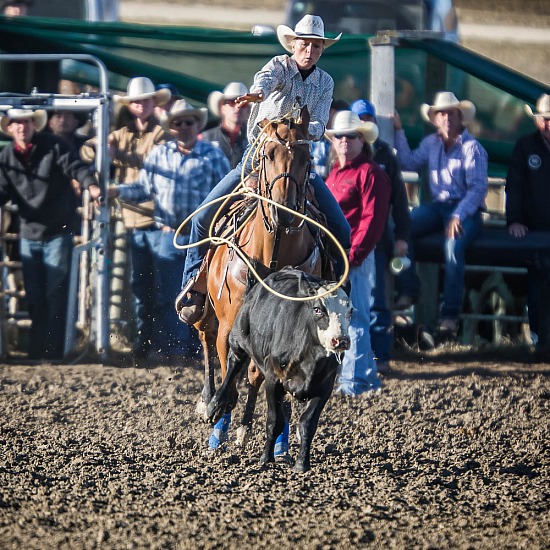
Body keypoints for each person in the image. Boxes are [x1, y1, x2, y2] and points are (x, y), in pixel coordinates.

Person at [176, 14, 352, 324]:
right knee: (203, 216)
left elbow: (320, 124)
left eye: (316, 45)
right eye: (304, 44)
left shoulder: (325, 82)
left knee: (341, 230)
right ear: (293, 45)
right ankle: (194, 286)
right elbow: (266, 80)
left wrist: (297, 131)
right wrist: (258, 93)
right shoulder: (278, 66)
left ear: (321, 49)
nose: (309, 50)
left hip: (300, 165)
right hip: (258, 160)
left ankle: (335, 295)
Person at [108, 99, 230, 360]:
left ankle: (195, 348)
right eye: (178, 123)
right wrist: (117, 191)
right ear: (171, 127)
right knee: (168, 295)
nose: (184, 127)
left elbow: (226, 195)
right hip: (168, 233)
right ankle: (171, 348)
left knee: (201, 294)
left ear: (197, 125)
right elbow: (143, 189)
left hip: (203, 237)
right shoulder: (159, 154)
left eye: (189, 122)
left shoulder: (213, 155)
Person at [81, 76, 172, 356]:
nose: (140, 105)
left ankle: (162, 343)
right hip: (131, 220)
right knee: (139, 287)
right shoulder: (120, 134)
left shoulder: (162, 134)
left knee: (161, 288)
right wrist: (101, 150)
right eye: (136, 101)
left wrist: (115, 154)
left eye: (144, 101)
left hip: (157, 220)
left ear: (152, 103)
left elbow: (156, 163)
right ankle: (144, 342)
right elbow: (87, 150)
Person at [0, 108, 97, 360]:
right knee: (34, 295)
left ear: (34, 125)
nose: (22, 127)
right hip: (29, 232)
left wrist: (92, 185)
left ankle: (54, 350)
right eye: (17, 123)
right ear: (10, 128)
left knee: (55, 292)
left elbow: (76, 167)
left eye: (26, 122)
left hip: (56, 230)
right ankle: (37, 349)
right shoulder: (6, 157)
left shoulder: (54, 146)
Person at [392, 91, 488, 338]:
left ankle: (450, 315)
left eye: (451, 114)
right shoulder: (431, 143)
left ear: (460, 118)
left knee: (453, 248)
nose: (446, 118)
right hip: (440, 208)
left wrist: (458, 215)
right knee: (402, 229)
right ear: (435, 118)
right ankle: (409, 288)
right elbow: (407, 162)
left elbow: (477, 189)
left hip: (466, 209)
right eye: (441, 113)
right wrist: (399, 131)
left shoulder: (472, 147)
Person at [325, 110, 391, 395]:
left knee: (355, 318)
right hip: (335, 257)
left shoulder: (371, 174)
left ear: (362, 140)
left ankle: (354, 381)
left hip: (353, 258)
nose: (343, 141)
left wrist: (353, 257)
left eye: (350, 136)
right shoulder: (335, 174)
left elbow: (372, 221)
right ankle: (363, 378)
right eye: (339, 136)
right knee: (345, 319)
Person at [351, 98, 411, 373]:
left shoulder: (385, 155)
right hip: (349, 238)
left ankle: (381, 357)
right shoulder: (341, 153)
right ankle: (354, 358)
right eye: (359, 119)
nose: (365, 123)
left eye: (368, 118)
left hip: (379, 237)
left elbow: (400, 200)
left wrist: (402, 236)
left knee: (377, 298)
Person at [506, 93, 550, 362]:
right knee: (537, 287)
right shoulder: (525, 147)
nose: (548, 124)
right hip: (533, 232)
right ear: (537, 120)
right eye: (545, 119)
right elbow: (515, 185)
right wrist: (514, 221)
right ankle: (538, 339)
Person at [202, 81, 250, 169]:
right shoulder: (204, 139)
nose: (237, 107)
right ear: (222, 107)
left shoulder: (255, 140)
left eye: (243, 103)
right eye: (231, 102)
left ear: (248, 110)